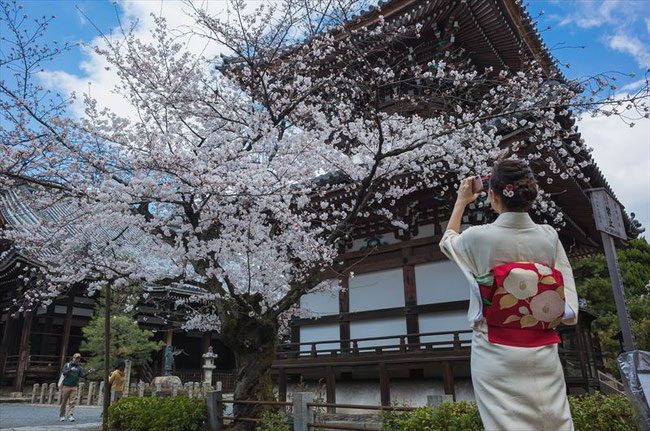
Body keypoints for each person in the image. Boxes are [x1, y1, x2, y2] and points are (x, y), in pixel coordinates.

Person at [439, 159, 579, 431]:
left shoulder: (478, 237)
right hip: (542, 347)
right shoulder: (548, 236)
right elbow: (567, 285)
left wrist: (461, 201)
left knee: (505, 423)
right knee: (553, 419)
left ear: (493, 195)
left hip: (494, 348)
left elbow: (447, 242)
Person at [59, 353, 95, 422]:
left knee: (72, 402)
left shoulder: (79, 367)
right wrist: (70, 370)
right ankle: (62, 415)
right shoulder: (67, 365)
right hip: (66, 386)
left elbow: (82, 375)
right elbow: (64, 372)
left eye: (78, 358)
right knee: (64, 402)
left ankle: (70, 415)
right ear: (73, 358)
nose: (76, 360)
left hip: (74, 386)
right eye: (75, 358)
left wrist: (89, 372)